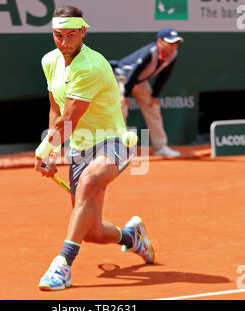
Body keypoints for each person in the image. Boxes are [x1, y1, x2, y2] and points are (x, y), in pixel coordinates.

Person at [34, 5, 154, 291]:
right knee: (91, 231)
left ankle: (62, 265)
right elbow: (56, 108)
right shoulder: (50, 61)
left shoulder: (90, 66)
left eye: (71, 35)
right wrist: (50, 151)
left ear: (83, 32)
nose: (64, 42)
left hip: (113, 140)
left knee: (88, 182)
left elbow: (69, 119)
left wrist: (43, 151)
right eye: (58, 35)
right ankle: (132, 237)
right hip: (79, 146)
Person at [109, 27, 184, 157]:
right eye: (170, 43)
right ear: (160, 42)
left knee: (153, 107)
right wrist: (125, 95)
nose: (173, 46)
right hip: (123, 78)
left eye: (176, 43)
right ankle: (121, 148)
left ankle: (160, 147)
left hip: (139, 82)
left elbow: (165, 75)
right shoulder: (150, 52)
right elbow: (134, 72)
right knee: (121, 109)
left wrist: (154, 95)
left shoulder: (173, 55)